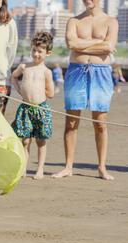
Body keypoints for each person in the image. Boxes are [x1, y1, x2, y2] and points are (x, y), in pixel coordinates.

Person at [53, 0, 118, 181]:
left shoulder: (111, 21)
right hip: (76, 71)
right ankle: (68, 166)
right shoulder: (74, 21)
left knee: (100, 124)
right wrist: (98, 42)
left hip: (101, 73)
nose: (88, 0)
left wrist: (83, 43)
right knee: (71, 122)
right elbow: (70, 44)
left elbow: (109, 46)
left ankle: (102, 167)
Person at [11, 32, 55, 180]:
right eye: (34, 50)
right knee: (25, 140)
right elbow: (13, 77)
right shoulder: (24, 67)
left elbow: (51, 93)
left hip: (41, 109)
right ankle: (23, 168)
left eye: (40, 51)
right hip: (25, 108)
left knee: (41, 141)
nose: (36, 54)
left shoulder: (46, 72)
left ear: (48, 53)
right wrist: (20, 90)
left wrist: (39, 93)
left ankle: (40, 169)